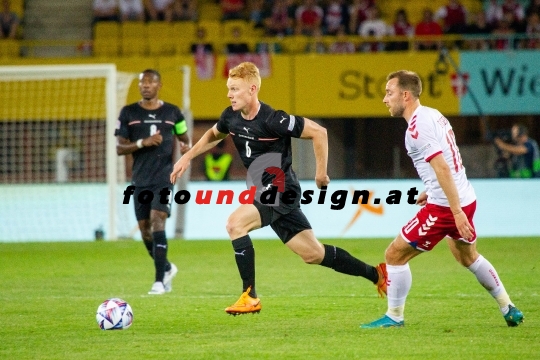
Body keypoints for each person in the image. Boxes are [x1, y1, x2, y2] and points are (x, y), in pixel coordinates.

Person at [170, 62, 387, 315]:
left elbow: (319, 132)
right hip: (266, 192)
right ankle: (377, 274)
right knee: (313, 254)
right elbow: (212, 134)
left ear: (252, 89)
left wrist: (320, 172)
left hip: (282, 190)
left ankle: (249, 296)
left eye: (235, 89)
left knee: (235, 224)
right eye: (229, 89)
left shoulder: (274, 120)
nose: (229, 94)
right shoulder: (230, 116)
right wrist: (187, 157)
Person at [360, 70, 524, 328]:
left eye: (389, 93)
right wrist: (434, 189)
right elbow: (449, 158)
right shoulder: (433, 114)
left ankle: (394, 316)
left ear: (405, 95)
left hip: (447, 206)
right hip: (464, 196)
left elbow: (442, 168)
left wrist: (455, 211)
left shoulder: (417, 128)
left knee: (394, 255)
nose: (385, 99)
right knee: (468, 257)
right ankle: (508, 307)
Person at [116, 69, 190, 295]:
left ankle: (159, 281)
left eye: (150, 82)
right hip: (139, 180)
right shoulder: (128, 113)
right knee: (145, 230)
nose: (145, 85)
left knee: (158, 221)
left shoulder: (173, 112)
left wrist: (186, 148)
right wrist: (143, 143)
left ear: (159, 85)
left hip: (164, 179)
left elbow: (184, 137)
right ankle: (166, 268)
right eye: (142, 82)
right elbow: (120, 147)